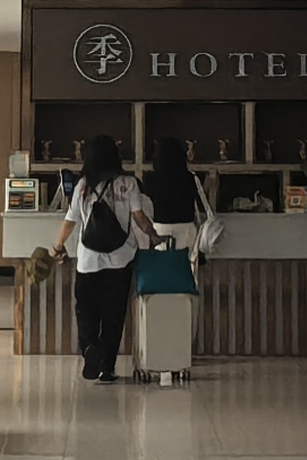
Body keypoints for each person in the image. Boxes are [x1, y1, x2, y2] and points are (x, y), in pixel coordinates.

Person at [62, 133, 148, 384]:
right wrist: (154, 236)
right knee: (113, 314)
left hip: (88, 260)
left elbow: (70, 221)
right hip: (121, 259)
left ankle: (90, 346)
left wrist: (56, 247)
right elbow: (139, 217)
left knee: (86, 310)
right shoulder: (129, 183)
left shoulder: (83, 185)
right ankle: (107, 367)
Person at [137, 136, 209, 384]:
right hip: (188, 234)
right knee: (185, 290)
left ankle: (158, 343)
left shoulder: (149, 180)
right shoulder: (190, 179)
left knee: (159, 290)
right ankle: (185, 346)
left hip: (159, 233)